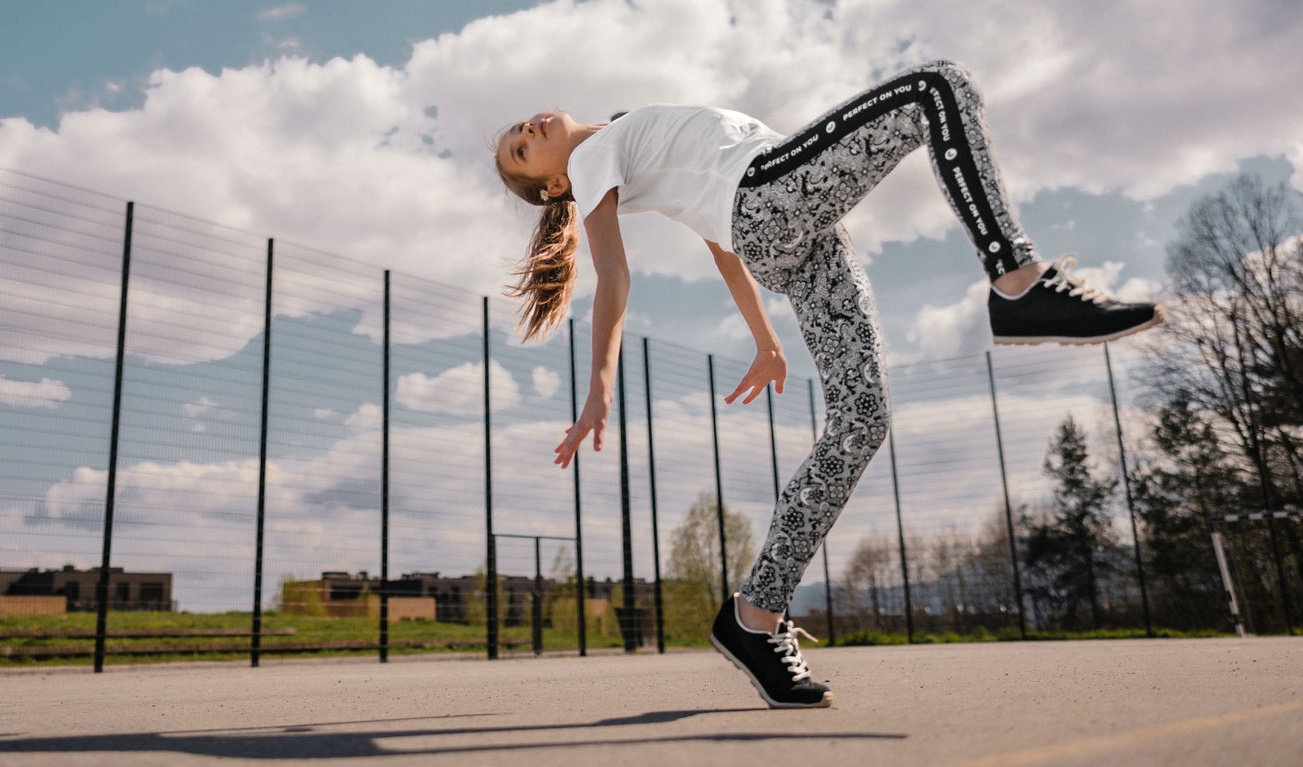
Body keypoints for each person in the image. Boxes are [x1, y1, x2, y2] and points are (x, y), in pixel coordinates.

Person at [492, 60, 1162, 709]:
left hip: (784, 229)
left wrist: (765, 337)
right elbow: (613, 271)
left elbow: (716, 239)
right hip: (771, 193)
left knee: (862, 417)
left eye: (520, 128)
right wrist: (600, 383)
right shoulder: (590, 162)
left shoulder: (620, 134)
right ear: (554, 187)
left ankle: (756, 614)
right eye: (522, 151)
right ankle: (1017, 280)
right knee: (936, 86)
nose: (528, 130)